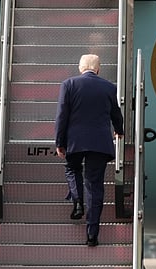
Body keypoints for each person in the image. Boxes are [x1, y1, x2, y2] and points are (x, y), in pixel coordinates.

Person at [55, 54, 124, 247]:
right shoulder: (109, 87)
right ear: (98, 69)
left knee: (72, 169)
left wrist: (60, 141)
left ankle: (77, 202)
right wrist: (119, 131)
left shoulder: (68, 84)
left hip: (75, 142)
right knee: (94, 186)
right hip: (100, 143)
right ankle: (92, 235)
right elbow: (115, 114)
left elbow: (62, 115)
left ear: (80, 68)